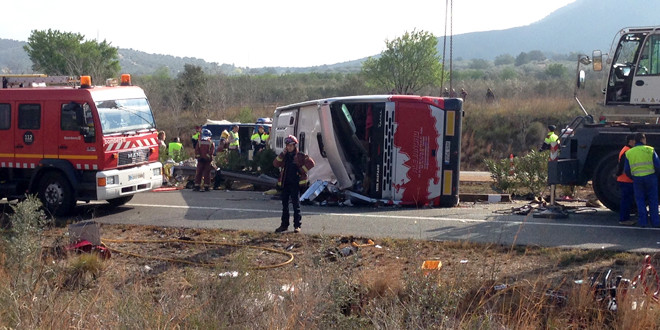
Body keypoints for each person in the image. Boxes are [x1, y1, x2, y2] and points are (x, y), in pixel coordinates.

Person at [273, 135, 315, 233]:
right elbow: (275, 164)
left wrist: (301, 171)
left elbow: (311, 163)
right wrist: (282, 155)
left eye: (291, 145)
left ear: (294, 145)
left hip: (295, 184)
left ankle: (297, 226)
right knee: (285, 206)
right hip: (285, 184)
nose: (289, 147)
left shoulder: (300, 156)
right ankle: (284, 225)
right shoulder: (284, 156)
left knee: (296, 205)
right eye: (287, 145)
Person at [624, 132, 660, 227]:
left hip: (637, 179)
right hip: (651, 177)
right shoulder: (650, 150)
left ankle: (642, 222)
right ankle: (655, 222)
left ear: (635, 141)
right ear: (643, 139)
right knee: (653, 200)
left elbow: (627, 170)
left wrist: (633, 177)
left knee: (640, 200)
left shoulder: (629, 152)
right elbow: (657, 165)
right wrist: (656, 175)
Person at [616, 134, 637, 226]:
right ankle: (624, 219)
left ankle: (625, 218)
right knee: (626, 200)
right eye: (635, 141)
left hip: (625, 179)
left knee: (627, 200)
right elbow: (622, 166)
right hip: (626, 180)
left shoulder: (626, 149)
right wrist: (618, 174)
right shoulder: (627, 151)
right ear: (631, 141)